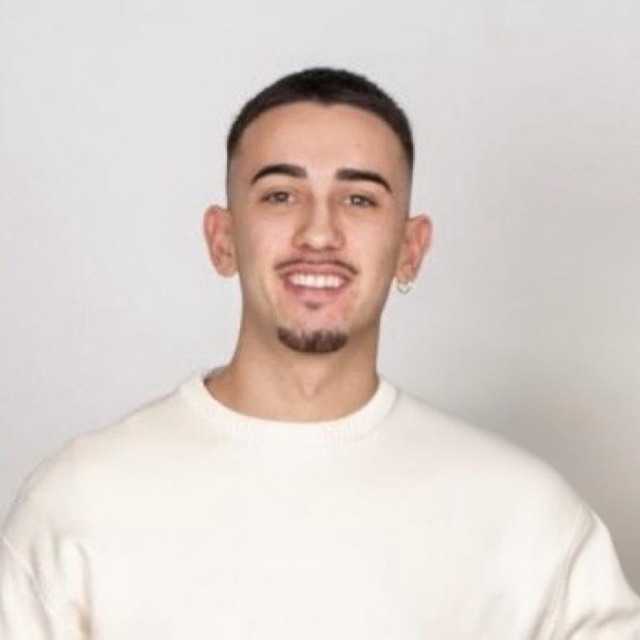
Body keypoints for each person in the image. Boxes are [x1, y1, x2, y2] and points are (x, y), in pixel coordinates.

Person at [1, 68, 638, 639]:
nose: (319, 232)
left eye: (359, 199)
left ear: (411, 248)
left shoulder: (526, 520)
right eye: (281, 194)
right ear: (223, 239)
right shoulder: (79, 503)